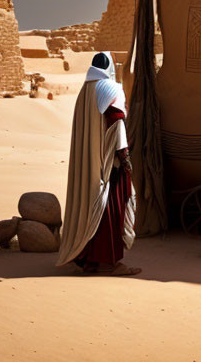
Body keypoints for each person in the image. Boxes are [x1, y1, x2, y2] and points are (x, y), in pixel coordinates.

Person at [57, 51, 140, 275]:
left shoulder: (84, 93)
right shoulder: (110, 89)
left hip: (90, 166)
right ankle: (113, 263)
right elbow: (116, 123)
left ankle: (89, 259)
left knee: (91, 209)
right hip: (109, 165)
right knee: (112, 210)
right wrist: (124, 156)